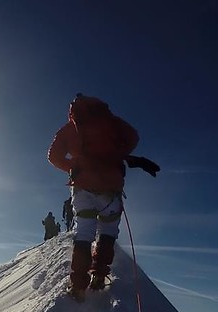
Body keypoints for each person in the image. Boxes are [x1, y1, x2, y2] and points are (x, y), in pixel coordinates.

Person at [47, 93, 159, 300]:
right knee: (107, 231)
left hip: (82, 188)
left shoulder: (70, 127)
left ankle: (78, 285)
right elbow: (133, 136)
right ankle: (99, 276)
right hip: (111, 187)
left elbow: (53, 156)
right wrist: (117, 153)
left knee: (84, 233)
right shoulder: (111, 121)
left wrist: (75, 167)